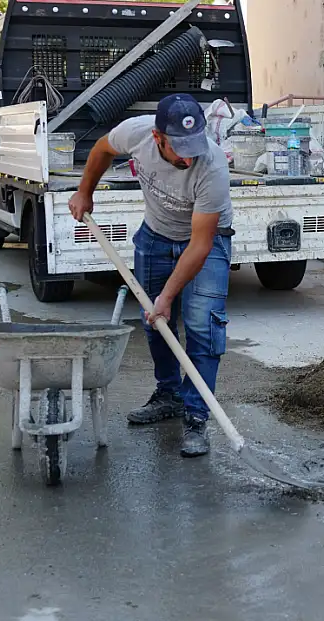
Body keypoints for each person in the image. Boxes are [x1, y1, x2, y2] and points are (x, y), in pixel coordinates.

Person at [68, 93, 234, 458]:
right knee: (154, 322)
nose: (188, 157)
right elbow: (100, 149)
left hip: (205, 242)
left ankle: (195, 416)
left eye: (194, 146)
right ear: (158, 137)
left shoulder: (213, 167)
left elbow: (200, 245)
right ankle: (169, 394)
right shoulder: (136, 133)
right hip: (156, 235)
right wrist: (85, 192)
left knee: (203, 327)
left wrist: (168, 295)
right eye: (179, 148)